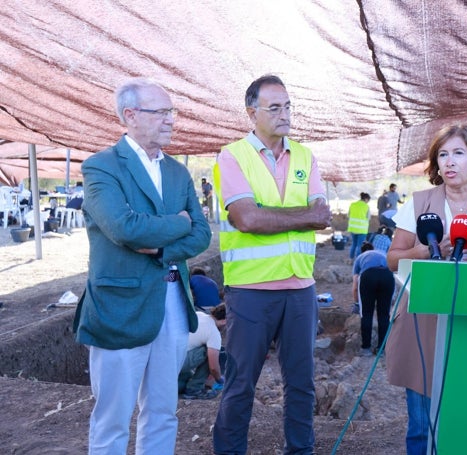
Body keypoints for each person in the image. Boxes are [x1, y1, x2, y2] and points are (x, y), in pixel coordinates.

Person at [72, 77, 211, 455]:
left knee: (164, 410)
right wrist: (179, 222)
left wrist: (161, 247)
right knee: (113, 417)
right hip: (120, 307)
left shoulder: (177, 172)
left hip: (172, 301)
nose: (171, 120)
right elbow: (125, 229)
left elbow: (202, 236)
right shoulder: (101, 167)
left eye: (172, 112)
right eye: (161, 112)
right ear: (130, 115)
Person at [213, 74, 331, 455]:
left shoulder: (305, 156)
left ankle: (300, 450)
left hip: (300, 288)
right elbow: (247, 219)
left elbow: (323, 215)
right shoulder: (232, 156)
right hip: (251, 292)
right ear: (252, 113)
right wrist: (302, 216)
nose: (285, 115)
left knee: (302, 384)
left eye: (288, 106)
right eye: (274, 107)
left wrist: (273, 215)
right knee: (241, 383)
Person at [384, 124, 467, 455]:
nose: (449, 162)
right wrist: (426, 251)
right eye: (443, 154)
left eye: (458, 153)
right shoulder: (419, 202)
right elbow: (392, 259)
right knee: (421, 426)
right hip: (423, 322)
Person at [352, 241, 395, 356]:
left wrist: (356, 303)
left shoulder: (359, 258)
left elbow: (355, 285)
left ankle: (366, 348)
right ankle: (381, 349)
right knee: (384, 315)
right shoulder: (382, 253)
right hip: (387, 276)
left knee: (366, 313)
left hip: (368, 276)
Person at [347, 192, 371, 260]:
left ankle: (350, 259)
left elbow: (348, 215)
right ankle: (358, 261)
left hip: (352, 228)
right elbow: (368, 218)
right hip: (362, 229)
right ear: (366, 199)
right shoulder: (366, 206)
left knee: (354, 244)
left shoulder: (352, 204)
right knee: (359, 246)